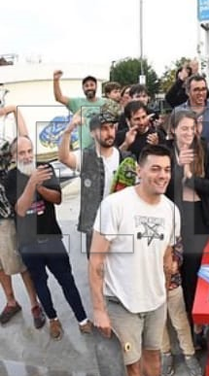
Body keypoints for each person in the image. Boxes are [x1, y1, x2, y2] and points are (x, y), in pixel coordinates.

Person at [89, 145, 180, 376]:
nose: (162, 175)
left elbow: (167, 257)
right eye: (155, 169)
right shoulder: (115, 205)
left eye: (167, 170)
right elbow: (96, 260)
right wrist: (99, 310)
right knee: (133, 366)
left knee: (154, 359)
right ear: (139, 171)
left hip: (155, 302)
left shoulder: (171, 210)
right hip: (123, 303)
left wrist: (164, 291)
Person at [4, 136, 92, 340]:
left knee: (67, 280)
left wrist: (41, 187)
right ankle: (53, 319)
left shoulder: (45, 168)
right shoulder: (10, 178)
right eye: (21, 153)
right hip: (28, 244)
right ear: (14, 157)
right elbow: (21, 209)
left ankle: (82, 319)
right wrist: (32, 183)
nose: (27, 156)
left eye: (29, 151)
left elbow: (58, 199)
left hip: (51, 238)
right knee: (40, 285)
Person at [164, 110, 209, 350]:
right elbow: (161, 191)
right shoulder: (166, 155)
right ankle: (189, 322)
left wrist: (189, 176)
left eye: (192, 128)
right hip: (176, 219)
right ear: (173, 130)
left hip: (201, 217)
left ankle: (198, 324)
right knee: (184, 273)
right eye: (183, 128)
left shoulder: (207, 150)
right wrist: (177, 170)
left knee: (197, 271)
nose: (189, 133)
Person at [58, 106, 131, 257]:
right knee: (96, 270)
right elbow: (64, 158)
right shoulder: (86, 157)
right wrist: (68, 131)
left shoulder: (126, 159)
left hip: (121, 227)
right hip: (95, 226)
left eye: (111, 127)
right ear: (92, 133)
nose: (109, 132)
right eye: (103, 128)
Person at [0, 105, 45, 329]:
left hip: (5, 213)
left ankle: (35, 305)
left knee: (21, 263)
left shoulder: (3, 143)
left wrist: (14, 110)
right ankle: (11, 301)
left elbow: (24, 137)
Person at [160, 238, 202, 376]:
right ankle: (165, 354)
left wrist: (176, 261)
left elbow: (178, 245)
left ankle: (189, 354)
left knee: (180, 322)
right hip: (149, 285)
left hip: (172, 282)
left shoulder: (170, 218)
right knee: (158, 324)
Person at [173, 75, 209, 147]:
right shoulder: (178, 111)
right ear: (188, 92)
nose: (201, 93)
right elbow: (172, 139)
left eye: (203, 89)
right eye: (196, 89)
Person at [52, 70, 105, 149]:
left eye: (92, 85)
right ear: (83, 89)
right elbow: (59, 98)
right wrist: (56, 80)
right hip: (85, 149)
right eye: (86, 86)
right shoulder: (77, 103)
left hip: (102, 146)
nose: (89, 88)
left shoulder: (105, 103)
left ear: (96, 86)